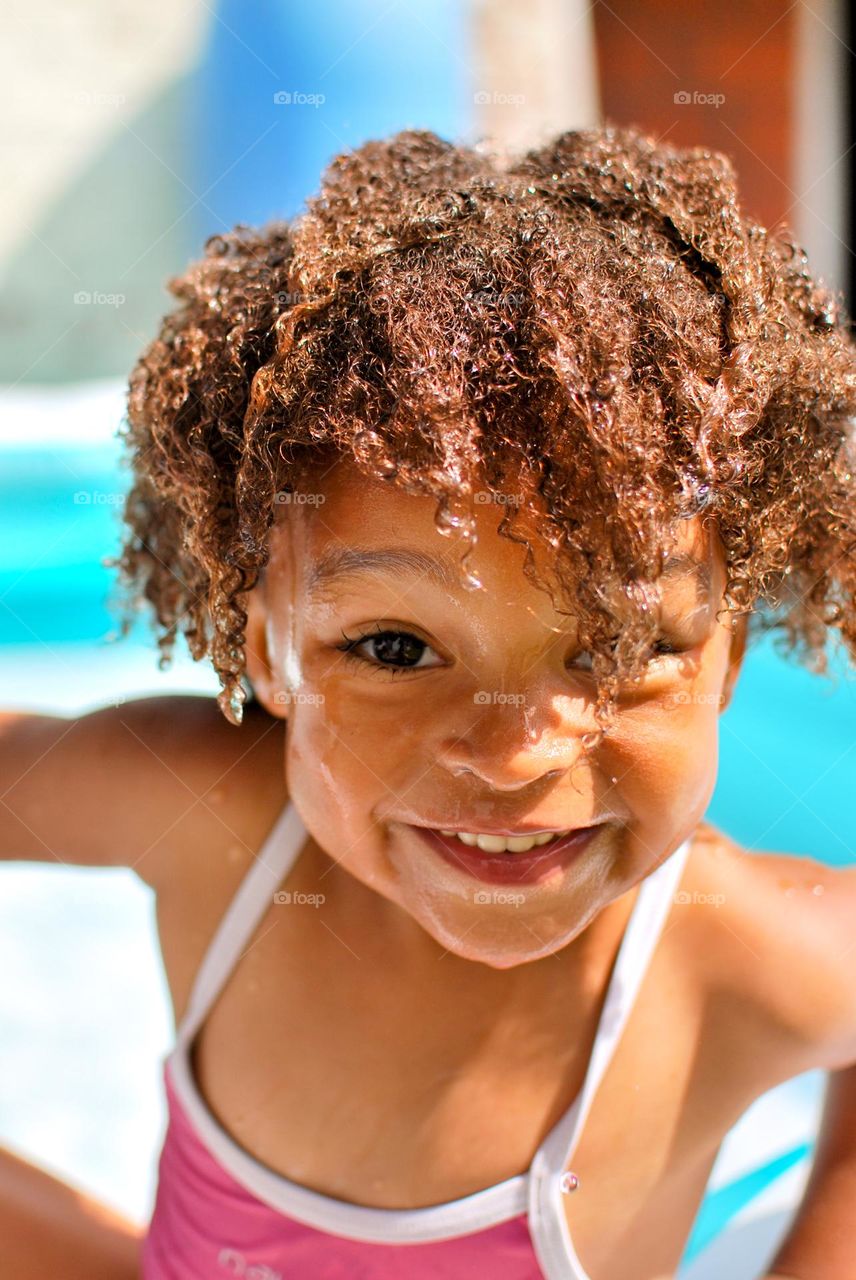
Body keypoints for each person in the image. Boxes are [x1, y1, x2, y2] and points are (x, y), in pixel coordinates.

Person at [2, 123, 855, 1279]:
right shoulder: (216, 819)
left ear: (726, 659)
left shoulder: (725, 960)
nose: (512, 753)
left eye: (609, 648)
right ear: (265, 647)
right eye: (396, 645)